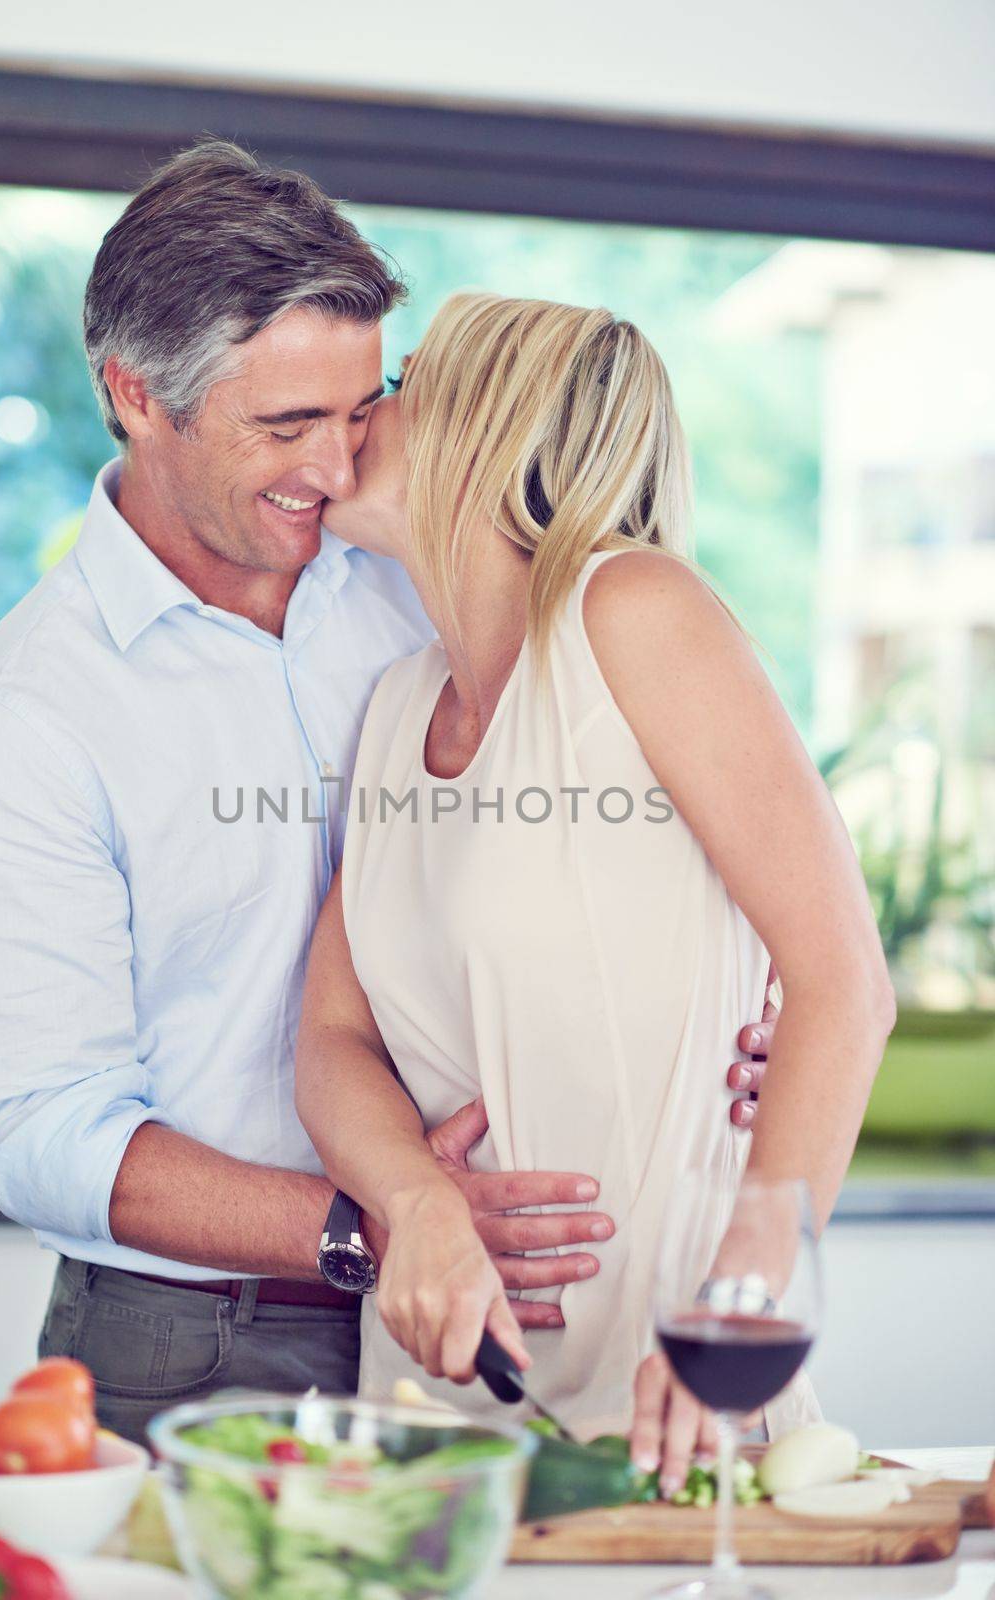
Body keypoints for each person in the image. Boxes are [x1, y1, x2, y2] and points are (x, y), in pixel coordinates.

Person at [0, 140, 779, 1454]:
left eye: (362, 404)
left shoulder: (418, 591)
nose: (337, 457)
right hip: (194, 1339)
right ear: (138, 395)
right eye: (285, 425)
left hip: (489, 1309)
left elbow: (694, 808)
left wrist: (750, 987)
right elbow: (49, 1129)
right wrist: (381, 1219)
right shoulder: (24, 719)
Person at [295, 291, 896, 1493]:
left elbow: (840, 982)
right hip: (438, 1397)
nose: (364, 413)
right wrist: (416, 1204)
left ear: (487, 418)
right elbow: (330, 1036)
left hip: (666, 1392)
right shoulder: (401, 702)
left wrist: (738, 1299)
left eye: (401, 380)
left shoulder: (636, 612)